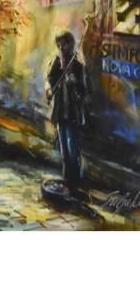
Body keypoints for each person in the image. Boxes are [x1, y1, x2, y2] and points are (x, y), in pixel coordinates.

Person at [45, 31, 90, 195]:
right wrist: (48, 90)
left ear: (70, 44)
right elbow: (49, 79)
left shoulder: (77, 65)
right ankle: (66, 182)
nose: (60, 48)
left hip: (72, 115)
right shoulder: (57, 61)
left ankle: (75, 184)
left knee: (73, 151)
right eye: (58, 45)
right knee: (64, 151)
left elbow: (83, 92)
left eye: (63, 44)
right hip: (60, 113)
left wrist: (73, 82)